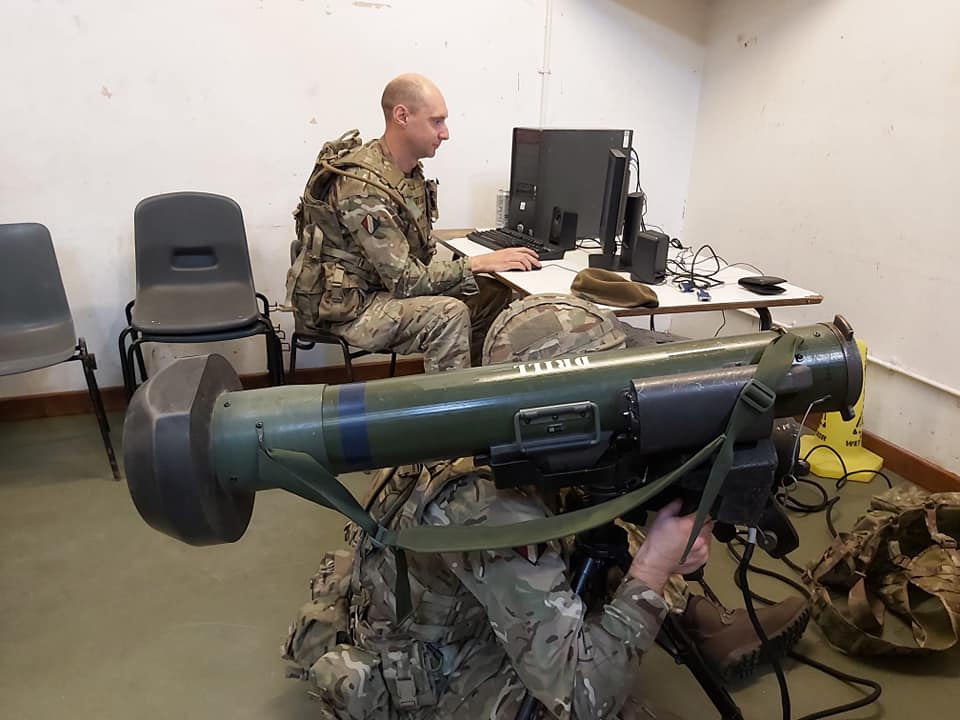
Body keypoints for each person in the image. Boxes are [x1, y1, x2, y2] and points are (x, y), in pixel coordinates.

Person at [283, 294, 809, 719]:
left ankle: (703, 627)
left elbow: (588, 500)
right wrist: (652, 570)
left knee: (616, 543)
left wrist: (657, 530)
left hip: (402, 614)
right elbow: (581, 698)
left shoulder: (462, 431)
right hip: (421, 678)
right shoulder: (496, 509)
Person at [287, 73, 539, 373]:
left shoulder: (404, 172)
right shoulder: (364, 188)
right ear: (402, 116)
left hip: (383, 289)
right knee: (449, 314)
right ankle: (448, 410)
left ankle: (474, 387)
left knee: (492, 293)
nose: (445, 133)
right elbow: (406, 282)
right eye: (437, 121)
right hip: (352, 308)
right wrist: (478, 262)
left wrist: (482, 266)